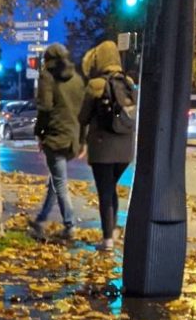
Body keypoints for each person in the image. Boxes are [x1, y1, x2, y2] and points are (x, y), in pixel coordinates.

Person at [79, 40, 136, 252]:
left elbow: (83, 116)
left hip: (102, 147)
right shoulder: (128, 82)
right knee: (111, 188)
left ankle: (107, 240)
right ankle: (112, 231)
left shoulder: (95, 85)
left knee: (105, 192)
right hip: (125, 148)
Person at [28, 44, 84, 241]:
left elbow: (45, 108)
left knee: (59, 183)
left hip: (54, 137)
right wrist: (82, 139)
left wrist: (39, 133)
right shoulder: (77, 79)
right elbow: (82, 112)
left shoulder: (47, 77)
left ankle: (70, 225)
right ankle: (41, 219)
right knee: (56, 179)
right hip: (72, 138)